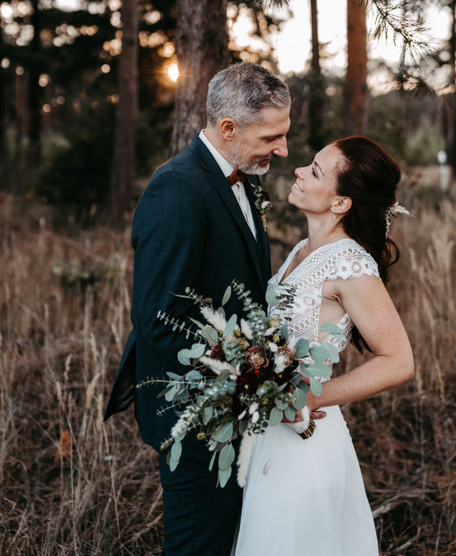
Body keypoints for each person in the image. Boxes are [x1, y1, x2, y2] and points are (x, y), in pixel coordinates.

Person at [103, 63, 293, 555]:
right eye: (272, 136)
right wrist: (251, 368)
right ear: (228, 129)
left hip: (236, 408)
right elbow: (157, 320)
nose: (283, 150)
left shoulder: (244, 175)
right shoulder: (178, 189)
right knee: (196, 544)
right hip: (194, 413)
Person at [233, 135, 414, 556]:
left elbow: (399, 361)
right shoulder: (303, 249)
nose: (298, 170)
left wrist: (313, 394)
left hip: (305, 438)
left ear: (340, 204)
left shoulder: (349, 263)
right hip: (268, 434)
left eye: (314, 171)